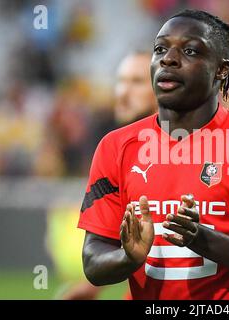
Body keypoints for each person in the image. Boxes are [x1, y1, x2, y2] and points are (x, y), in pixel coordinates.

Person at [78, 9, 229, 300]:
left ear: (222, 69)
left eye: (189, 50)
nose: (168, 59)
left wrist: (203, 239)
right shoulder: (116, 147)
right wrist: (128, 258)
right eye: (160, 49)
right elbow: (93, 260)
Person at [62, 51, 157, 300]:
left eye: (136, 82)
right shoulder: (120, 148)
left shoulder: (192, 147)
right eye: (121, 81)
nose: (122, 92)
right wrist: (93, 285)